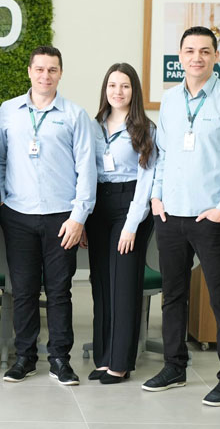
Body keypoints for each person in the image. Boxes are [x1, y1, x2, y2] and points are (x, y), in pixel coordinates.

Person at [144, 26, 220, 406]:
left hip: (212, 217)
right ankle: (174, 365)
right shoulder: (170, 100)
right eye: (189, 51)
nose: (197, 58)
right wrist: (156, 196)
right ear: (180, 56)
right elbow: (162, 155)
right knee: (173, 295)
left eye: (205, 51)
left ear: (215, 56)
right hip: (170, 214)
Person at [0, 46, 96, 386]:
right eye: (39, 69)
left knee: (59, 291)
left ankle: (60, 360)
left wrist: (79, 217)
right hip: (18, 215)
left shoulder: (75, 115)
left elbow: (86, 168)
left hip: (61, 218)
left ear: (60, 73)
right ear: (29, 71)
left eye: (52, 70)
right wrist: (3, 201)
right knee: (23, 291)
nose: (45, 75)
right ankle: (25, 358)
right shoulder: (8, 111)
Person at [83, 63, 156, 384]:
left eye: (125, 86)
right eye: (112, 85)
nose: (118, 91)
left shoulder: (145, 128)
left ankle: (121, 362)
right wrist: (82, 218)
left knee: (124, 284)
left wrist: (132, 223)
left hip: (130, 205)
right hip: (98, 205)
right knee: (101, 284)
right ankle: (103, 358)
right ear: (105, 89)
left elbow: (147, 177)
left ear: (134, 91)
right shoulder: (92, 125)